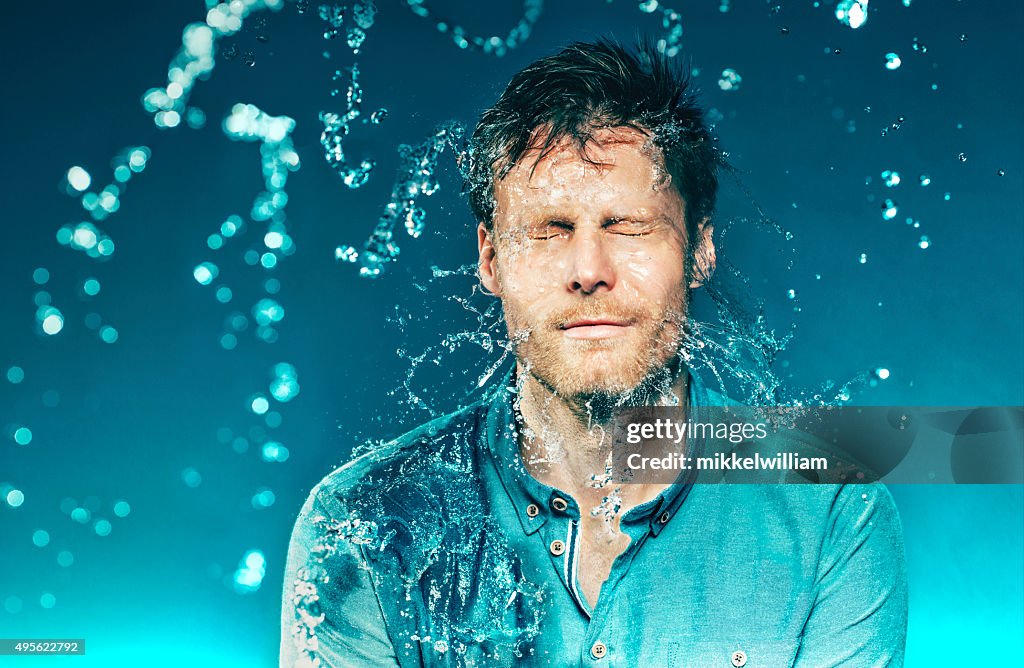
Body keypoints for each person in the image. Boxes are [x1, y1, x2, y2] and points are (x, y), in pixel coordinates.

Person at [280, 39, 907, 667]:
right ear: (490, 259)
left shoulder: (831, 509)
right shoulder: (362, 525)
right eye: (549, 231)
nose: (588, 271)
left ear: (699, 250)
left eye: (627, 227)